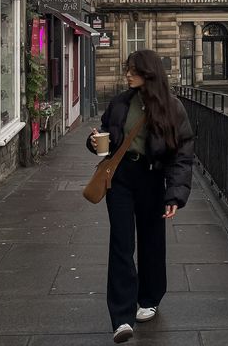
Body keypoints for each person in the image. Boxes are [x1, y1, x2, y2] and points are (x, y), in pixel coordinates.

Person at [87, 49, 194, 344]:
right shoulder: (120, 102)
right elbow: (106, 135)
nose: (127, 75)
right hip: (120, 178)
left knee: (151, 241)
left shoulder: (172, 108)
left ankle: (149, 298)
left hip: (151, 178)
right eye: (127, 69)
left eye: (133, 70)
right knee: (121, 244)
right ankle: (121, 317)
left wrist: (174, 194)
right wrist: (94, 141)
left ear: (149, 73)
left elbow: (182, 154)